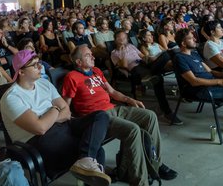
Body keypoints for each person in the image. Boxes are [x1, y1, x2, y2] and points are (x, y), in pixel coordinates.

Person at [63, 45, 179, 186]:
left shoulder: (96, 71)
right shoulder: (71, 77)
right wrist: (70, 121)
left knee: (150, 116)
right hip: (100, 118)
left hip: (115, 109)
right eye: (88, 55)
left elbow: (112, 92)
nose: (93, 57)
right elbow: (66, 104)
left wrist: (129, 99)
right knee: (133, 130)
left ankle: (156, 164)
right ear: (78, 62)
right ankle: (139, 181)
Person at [0, 50, 111, 186]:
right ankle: (86, 159)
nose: (41, 67)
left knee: (100, 116)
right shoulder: (12, 97)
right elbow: (40, 128)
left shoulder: (43, 83)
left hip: (62, 126)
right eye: (35, 65)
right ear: (21, 72)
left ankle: (85, 159)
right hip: (40, 140)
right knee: (98, 151)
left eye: (39, 63)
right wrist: (55, 108)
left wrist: (46, 118)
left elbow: (67, 112)